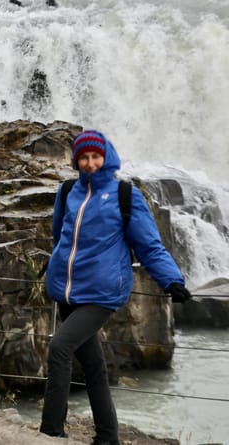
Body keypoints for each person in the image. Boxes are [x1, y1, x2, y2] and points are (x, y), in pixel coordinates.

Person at [40, 130, 192, 444]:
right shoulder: (68, 190)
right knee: (93, 366)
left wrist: (172, 280)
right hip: (66, 290)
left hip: (102, 293)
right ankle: (108, 437)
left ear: (106, 156)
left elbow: (149, 246)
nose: (91, 163)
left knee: (60, 348)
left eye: (96, 156)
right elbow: (60, 237)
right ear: (76, 160)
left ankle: (51, 432)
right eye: (84, 157)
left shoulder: (125, 194)